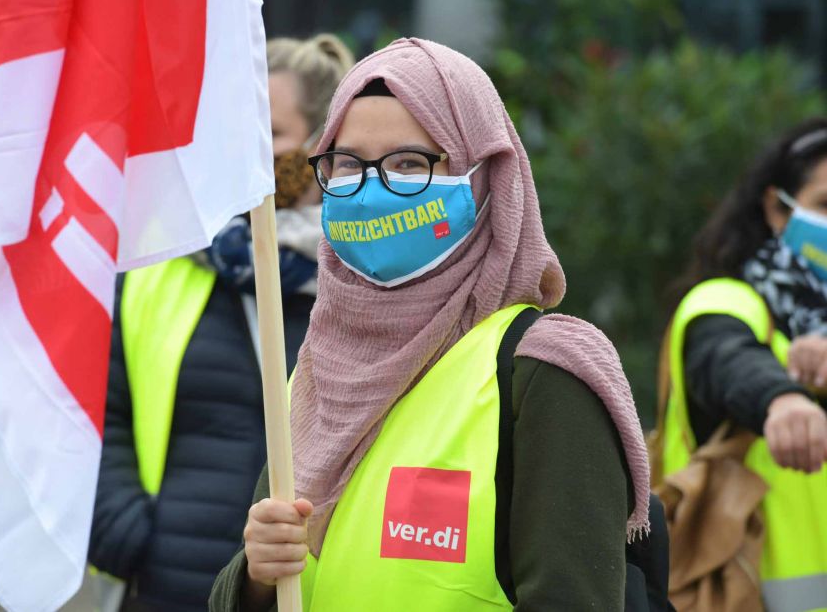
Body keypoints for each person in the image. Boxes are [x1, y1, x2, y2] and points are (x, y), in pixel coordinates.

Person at [209, 38, 651, 612]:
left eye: (409, 164)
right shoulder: (316, 372)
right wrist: (255, 578)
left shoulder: (542, 375)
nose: (372, 191)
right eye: (348, 164)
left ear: (482, 178)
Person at [88, 34, 354, 612]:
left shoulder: (360, 277)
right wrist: (127, 536)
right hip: (169, 584)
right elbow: (100, 413)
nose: (248, 154)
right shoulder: (162, 257)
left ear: (323, 146)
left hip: (302, 590)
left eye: (271, 135)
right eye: (235, 134)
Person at [658, 119, 827, 610]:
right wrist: (783, 399)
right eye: (826, 204)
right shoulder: (724, 301)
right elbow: (728, 358)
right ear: (776, 208)